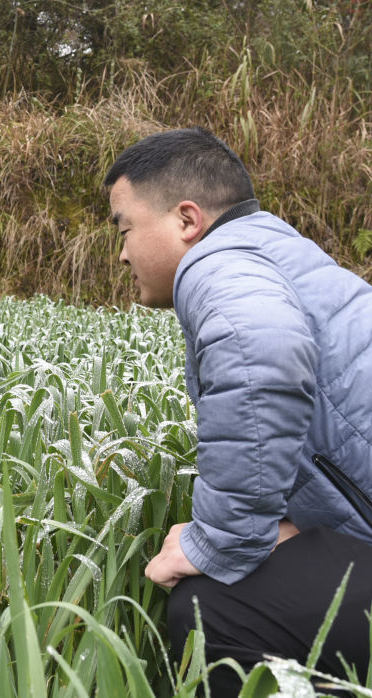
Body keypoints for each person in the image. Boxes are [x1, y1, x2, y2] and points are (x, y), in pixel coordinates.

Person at [104, 127, 372, 694]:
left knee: (209, 608)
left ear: (186, 220)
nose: (122, 252)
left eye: (125, 228)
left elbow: (265, 355)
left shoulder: (217, 263)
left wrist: (220, 541)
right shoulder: (273, 249)